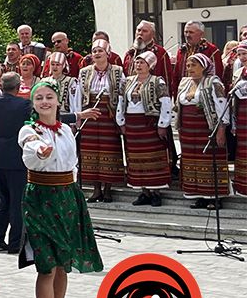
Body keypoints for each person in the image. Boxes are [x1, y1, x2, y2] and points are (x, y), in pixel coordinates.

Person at [18, 78, 104, 298]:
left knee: (61, 264)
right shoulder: (28, 130)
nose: (44, 102)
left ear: (57, 100)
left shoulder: (66, 129)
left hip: (67, 197)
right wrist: (40, 149)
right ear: (33, 104)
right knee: (46, 264)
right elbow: (31, 143)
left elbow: (72, 164)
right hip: (40, 200)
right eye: (39, 98)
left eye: (49, 97)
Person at [0, 73, 97, 254]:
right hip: (17, 158)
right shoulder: (23, 105)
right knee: (17, 201)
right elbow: (49, 116)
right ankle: (15, 242)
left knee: (2, 199)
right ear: (17, 87)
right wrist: (78, 115)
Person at [116, 52, 173, 207]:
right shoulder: (127, 82)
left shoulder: (157, 82)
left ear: (150, 66)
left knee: (153, 157)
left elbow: (166, 103)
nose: (138, 65)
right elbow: (120, 102)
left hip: (149, 123)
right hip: (133, 125)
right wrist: (121, 121)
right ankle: (144, 192)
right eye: (136, 63)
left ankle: (156, 193)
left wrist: (163, 125)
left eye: (142, 63)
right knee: (136, 158)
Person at [176, 54, 230, 209]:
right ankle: (199, 194)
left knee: (209, 160)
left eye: (193, 65)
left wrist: (221, 129)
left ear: (204, 67)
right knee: (192, 162)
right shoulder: (184, 83)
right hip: (188, 130)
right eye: (188, 65)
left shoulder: (213, 82)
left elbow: (221, 107)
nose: (189, 69)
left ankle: (214, 197)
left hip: (206, 129)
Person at [77, 40, 126, 203]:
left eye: (100, 51)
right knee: (90, 151)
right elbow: (79, 94)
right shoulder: (84, 72)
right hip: (90, 114)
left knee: (109, 150)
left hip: (109, 114)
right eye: (94, 51)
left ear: (108, 54)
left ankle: (107, 189)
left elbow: (122, 95)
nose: (96, 54)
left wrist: (120, 118)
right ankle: (96, 189)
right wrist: (79, 116)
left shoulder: (118, 71)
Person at [173, 21, 222, 98]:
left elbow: (217, 75)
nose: (187, 35)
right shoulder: (182, 51)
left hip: (204, 94)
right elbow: (176, 75)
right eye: (186, 32)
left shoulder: (212, 50)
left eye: (191, 32)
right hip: (183, 93)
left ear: (201, 34)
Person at [230, 45, 247, 196]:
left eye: (245, 53)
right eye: (239, 54)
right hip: (242, 115)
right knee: (243, 150)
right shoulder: (238, 73)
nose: (242, 57)